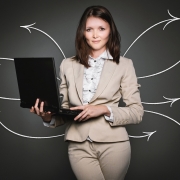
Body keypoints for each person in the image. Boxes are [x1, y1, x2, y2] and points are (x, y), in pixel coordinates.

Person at [30, 5, 144, 180]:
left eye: (101, 29)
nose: (95, 35)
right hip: (77, 143)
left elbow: (137, 113)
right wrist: (47, 116)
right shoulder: (67, 65)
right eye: (89, 29)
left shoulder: (125, 64)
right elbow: (67, 110)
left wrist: (104, 109)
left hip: (114, 144)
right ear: (82, 33)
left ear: (110, 31)